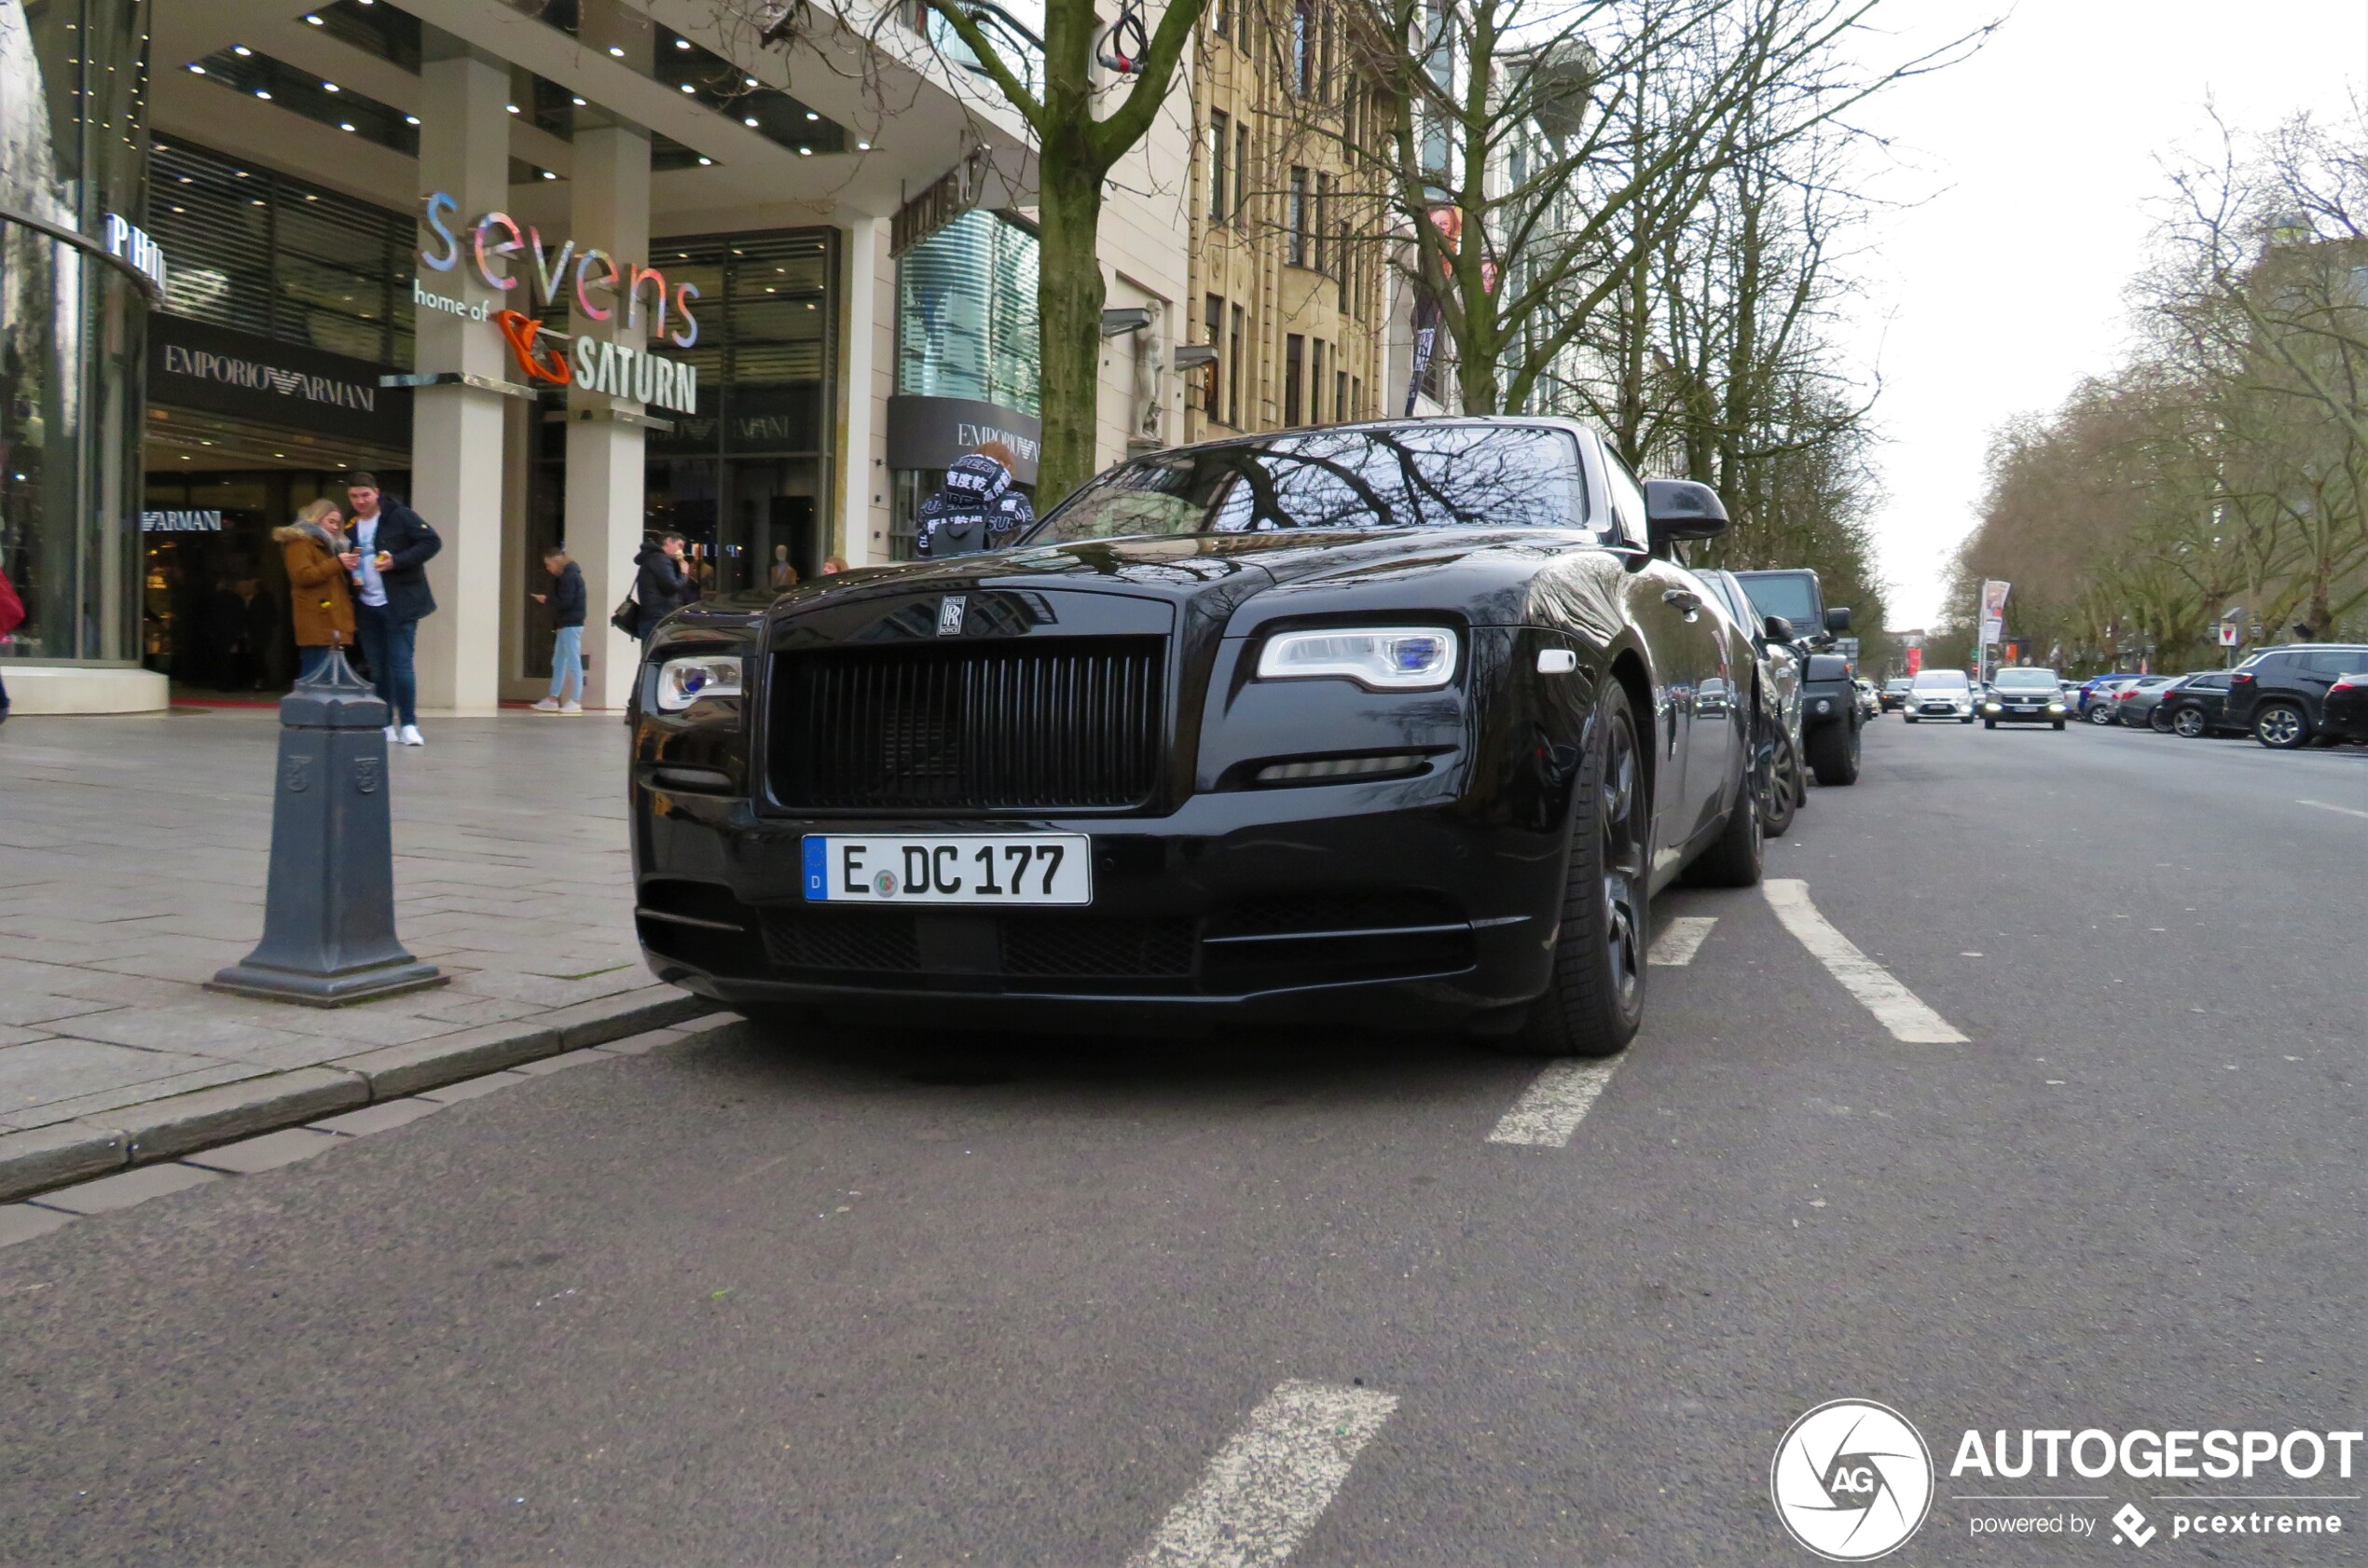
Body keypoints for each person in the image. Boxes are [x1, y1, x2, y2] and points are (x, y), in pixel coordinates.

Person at [338, 472, 440, 747]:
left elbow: (431, 542)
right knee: (378, 668)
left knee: (401, 664)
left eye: (365, 495)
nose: (359, 501)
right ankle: (385, 724)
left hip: (399, 604)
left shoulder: (400, 515)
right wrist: (346, 565)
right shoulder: (349, 526)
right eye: (354, 496)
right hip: (367, 605)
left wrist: (397, 561)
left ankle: (408, 723)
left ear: (377, 493)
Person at [274, 499, 354, 683]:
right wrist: (337, 563)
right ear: (316, 519)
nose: (335, 527)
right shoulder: (300, 542)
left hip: (333, 620)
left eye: (338, 523)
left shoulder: (332, 547)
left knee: (328, 679)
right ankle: (305, 712)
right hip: (317, 619)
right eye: (330, 522)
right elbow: (302, 576)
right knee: (315, 676)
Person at [915, 443, 1033, 558]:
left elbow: (922, 554)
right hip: (990, 577)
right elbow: (1029, 551)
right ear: (1007, 468)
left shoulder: (931, 504)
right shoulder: (1016, 502)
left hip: (942, 575)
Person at [529, 544, 586, 714]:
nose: (548, 569)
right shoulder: (568, 575)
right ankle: (553, 698)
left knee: (573, 661)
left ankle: (576, 700)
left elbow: (565, 602)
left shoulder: (569, 577)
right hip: (566, 624)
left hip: (571, 624)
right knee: (559, 661)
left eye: (548, 565)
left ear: (556, 561)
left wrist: (547, 600)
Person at [632, 531, 694, 640]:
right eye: (679, 546)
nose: (681, 551)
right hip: (658, 618)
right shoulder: (660, 559)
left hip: (650, 617)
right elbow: (672, 586)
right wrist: (683, 573)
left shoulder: (652, 558)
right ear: (669, 541)